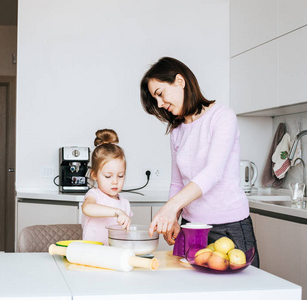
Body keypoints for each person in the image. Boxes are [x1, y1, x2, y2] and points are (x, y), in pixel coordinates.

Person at [140, 57, 259, 267]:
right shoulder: (177, 132)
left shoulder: (222, 116)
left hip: (230, 226)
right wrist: (174, 218)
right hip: (192, 227)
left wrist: (170, 207)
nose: (159, 104)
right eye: (155, 99)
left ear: (180, 81)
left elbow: (213, 172)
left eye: (160, 94)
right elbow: (177, 183)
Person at [81, 129, 133, 245]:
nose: (115, 181)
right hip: (92, 255)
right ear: (94, 175)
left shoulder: (125, 204)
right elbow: (87, 208)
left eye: (120, 176)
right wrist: (117, 212)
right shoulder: (94, 195)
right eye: (108, 176)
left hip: (114, 256)